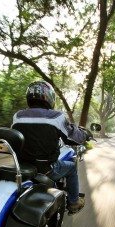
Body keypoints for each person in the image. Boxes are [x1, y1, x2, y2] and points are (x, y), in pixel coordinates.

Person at [12, 81, 92, 214]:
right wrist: (84, 135)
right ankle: (73, 202)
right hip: (47, 169)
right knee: (72, 167)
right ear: (49, 97)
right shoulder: (56, 117)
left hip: (22, 167)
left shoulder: (18, 116)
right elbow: (73, 137)